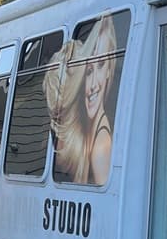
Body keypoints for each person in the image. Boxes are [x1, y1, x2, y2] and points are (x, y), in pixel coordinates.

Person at [44, 13, 118, 185]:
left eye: (101, 65)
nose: (92, 85)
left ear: (109, 70)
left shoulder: (101, 144)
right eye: (89, 70)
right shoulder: (86, 134)